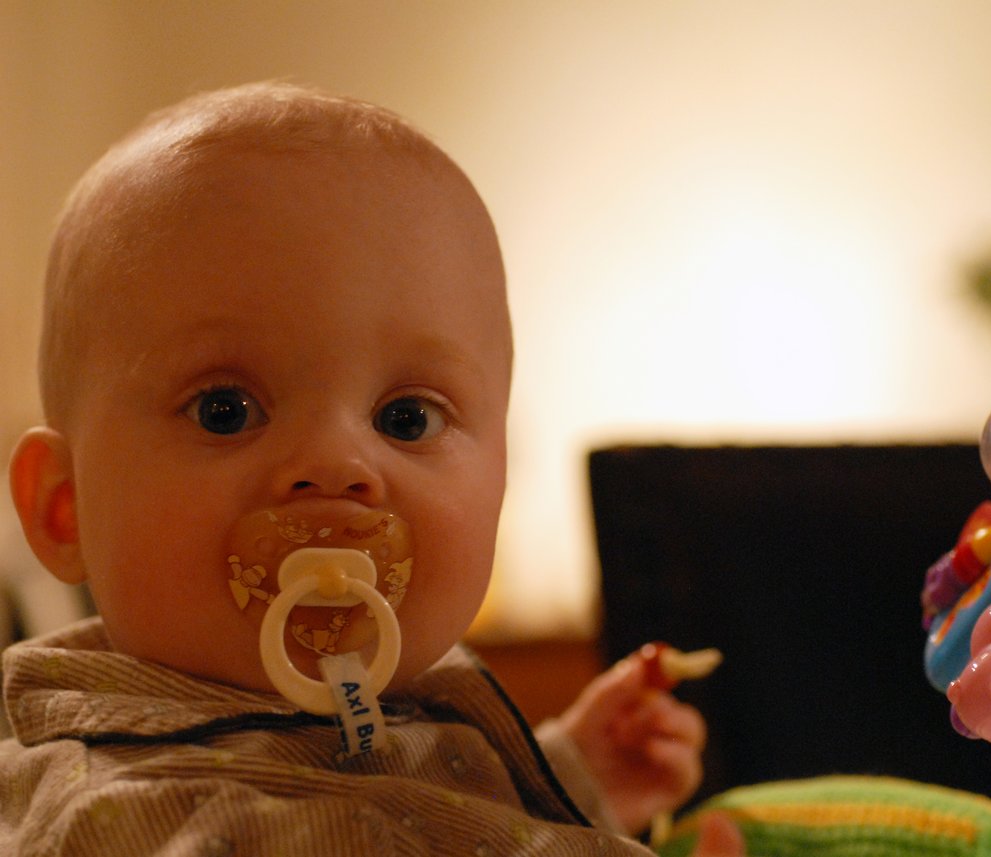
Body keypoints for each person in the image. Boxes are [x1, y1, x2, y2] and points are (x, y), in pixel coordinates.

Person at [1, 81, 736, 856]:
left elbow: (415, 812)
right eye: (226, 409)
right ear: (64, 503)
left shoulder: (394, 708)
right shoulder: (121, 813)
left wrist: (569, 777)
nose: (336, 464)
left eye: (406, 419)